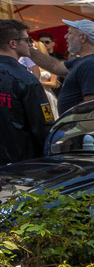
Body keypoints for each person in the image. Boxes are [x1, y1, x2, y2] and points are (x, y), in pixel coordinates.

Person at [39, 19, 94, 115]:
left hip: (82, 127)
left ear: (83, 38)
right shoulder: (89, 59)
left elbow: (91, 105)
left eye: (70, 33)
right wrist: (29, 50)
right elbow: (56, 66)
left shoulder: (91, 64)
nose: (66, 36)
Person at [0, 19, 51, 163]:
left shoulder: (24, 78)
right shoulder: (26, 80)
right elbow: (42, 127)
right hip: (21, 163)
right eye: (27, 39)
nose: (30, 44)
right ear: (13, 43)